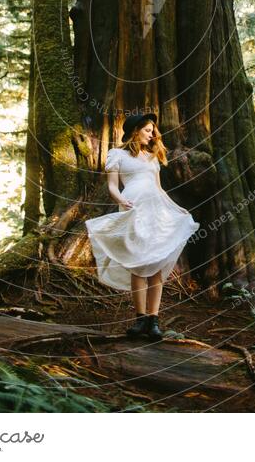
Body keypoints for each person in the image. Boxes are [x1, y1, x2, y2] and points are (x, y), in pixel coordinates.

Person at [85, 112, 199, 342]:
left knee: (156, 265)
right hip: (133, 211)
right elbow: (112, 186)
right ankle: (140, 318)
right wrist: (121, 201)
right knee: (137, 264)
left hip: (155, 213)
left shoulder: (152, 157)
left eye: (153, 131)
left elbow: (159, 189)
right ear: (135, 131)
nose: (152, 134)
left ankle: (153, 321)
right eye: (148, 130)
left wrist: (176, 209)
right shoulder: (117, 154)